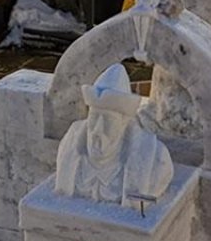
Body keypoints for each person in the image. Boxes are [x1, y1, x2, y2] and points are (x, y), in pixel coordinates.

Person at [54, 64, 173, 208]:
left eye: (108, 122)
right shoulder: (70, 148)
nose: (97, 130)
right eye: (93, 118)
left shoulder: (156, 160)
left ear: (124, 124)